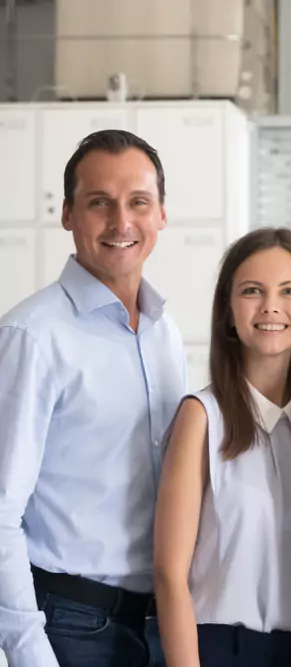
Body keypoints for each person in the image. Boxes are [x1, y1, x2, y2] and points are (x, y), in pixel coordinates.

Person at [0, 129, 186, 667]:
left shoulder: (164, 331)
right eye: (99, 203)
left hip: (157, 622)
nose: (121, 222)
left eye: (138, 203)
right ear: (67, 214)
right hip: (70, 626)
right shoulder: (32, 337)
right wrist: (30, 651)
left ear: (161, 215)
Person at [153, 227, 291, 667]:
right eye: (252, 291)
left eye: (290, 291)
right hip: (221, 651)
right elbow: (169, 575)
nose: (271, 306)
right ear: (228, 311)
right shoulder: (201, 418)